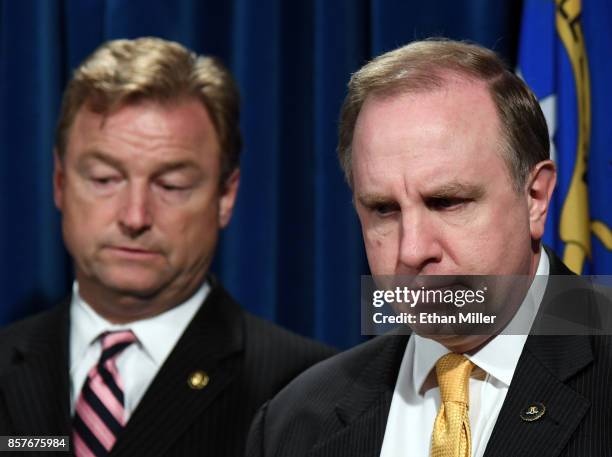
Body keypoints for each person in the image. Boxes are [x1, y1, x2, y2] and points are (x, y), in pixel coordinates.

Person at [246, 39, 612, 456]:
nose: (413, 249)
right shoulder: (293, 424)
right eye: (383, 209)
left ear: (535, 198)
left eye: (447, 202)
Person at [0, 37, 335, 456]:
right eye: (105, 179)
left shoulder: (309, 389)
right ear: (60, 182)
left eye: (171, 185)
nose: (135, 216)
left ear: (225, 196)